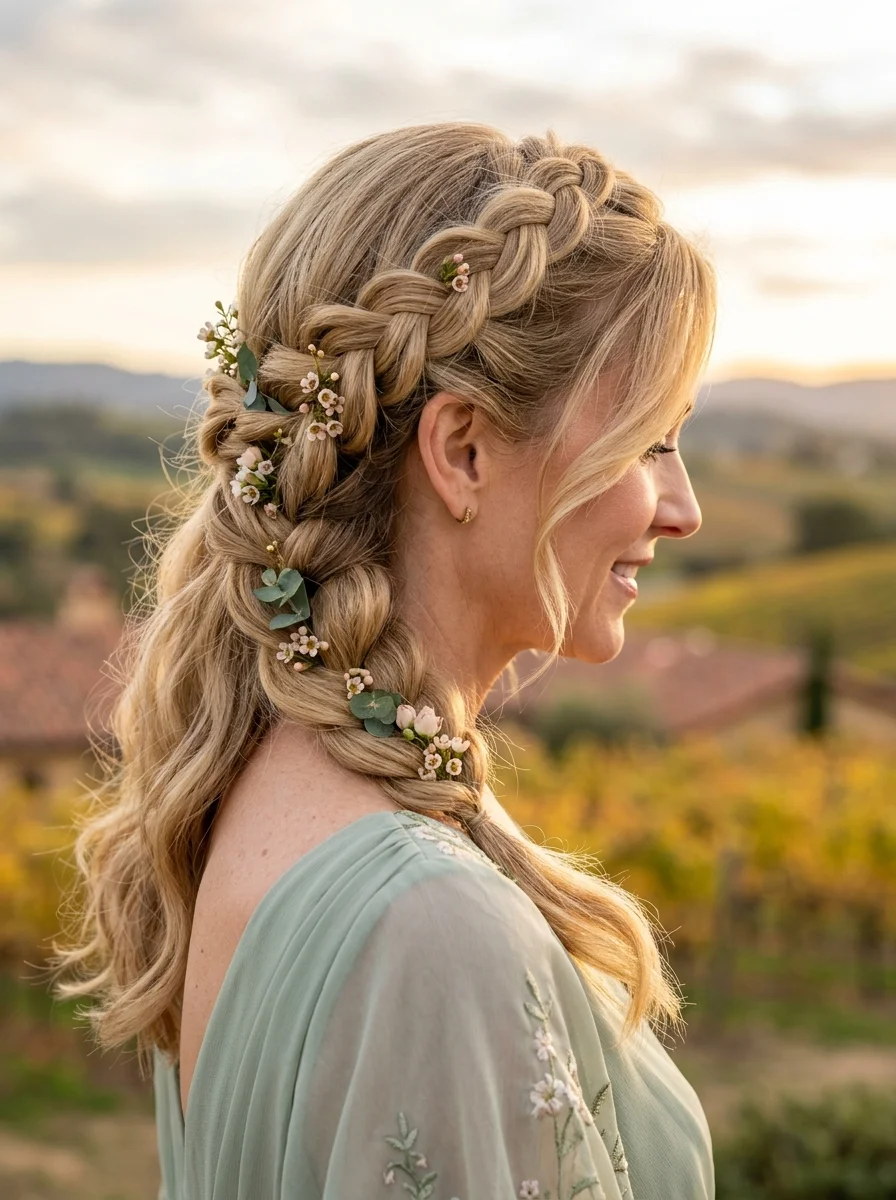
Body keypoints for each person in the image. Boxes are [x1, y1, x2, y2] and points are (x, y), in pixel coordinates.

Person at [49, 121, 716, 1198]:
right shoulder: (431, 928)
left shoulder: (250, 798)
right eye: (648, 439)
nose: (681, 509)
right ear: (461, 452)